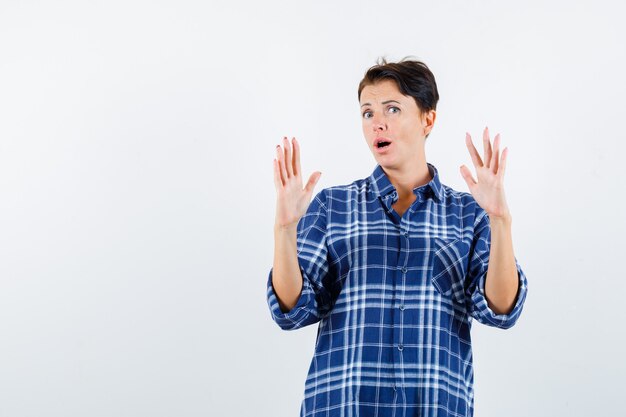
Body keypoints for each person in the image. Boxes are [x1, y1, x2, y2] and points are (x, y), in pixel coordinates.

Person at [266, 58, 528, 417]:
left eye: (392, 108)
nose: (378, 123)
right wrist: (284, 230)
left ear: (427, 118)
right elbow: (292, 310)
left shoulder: (469, 214)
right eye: (367, 113)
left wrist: (500, 220)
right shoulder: (332, 206)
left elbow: (501, 310)